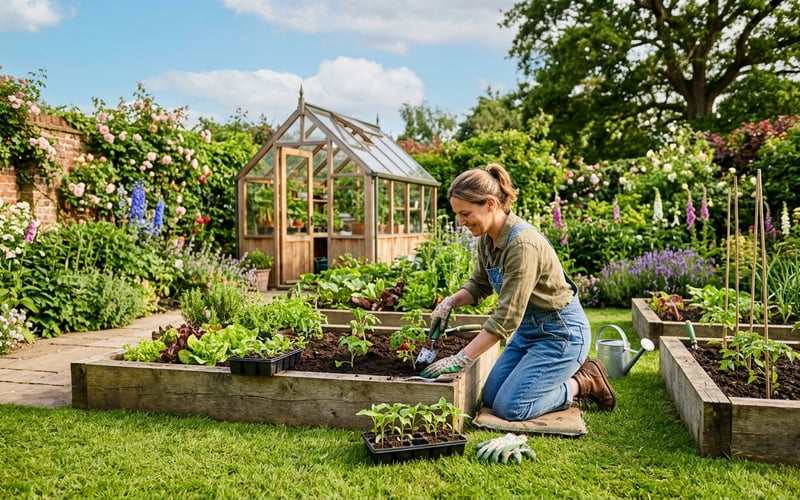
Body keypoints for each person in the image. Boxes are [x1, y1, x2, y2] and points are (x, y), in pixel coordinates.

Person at [419, 163, 616, 421]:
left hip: (561, 335)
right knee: (490, 398)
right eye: (458, 215)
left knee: (511, 407)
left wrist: (461, 357)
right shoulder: (487, 240)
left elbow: (506, 318)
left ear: (490, 204)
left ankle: (584, 381)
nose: (461, 222)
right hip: (528, 334)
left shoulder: (522, 244)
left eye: (465, 213)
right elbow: (479, 285)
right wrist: (450, 302)